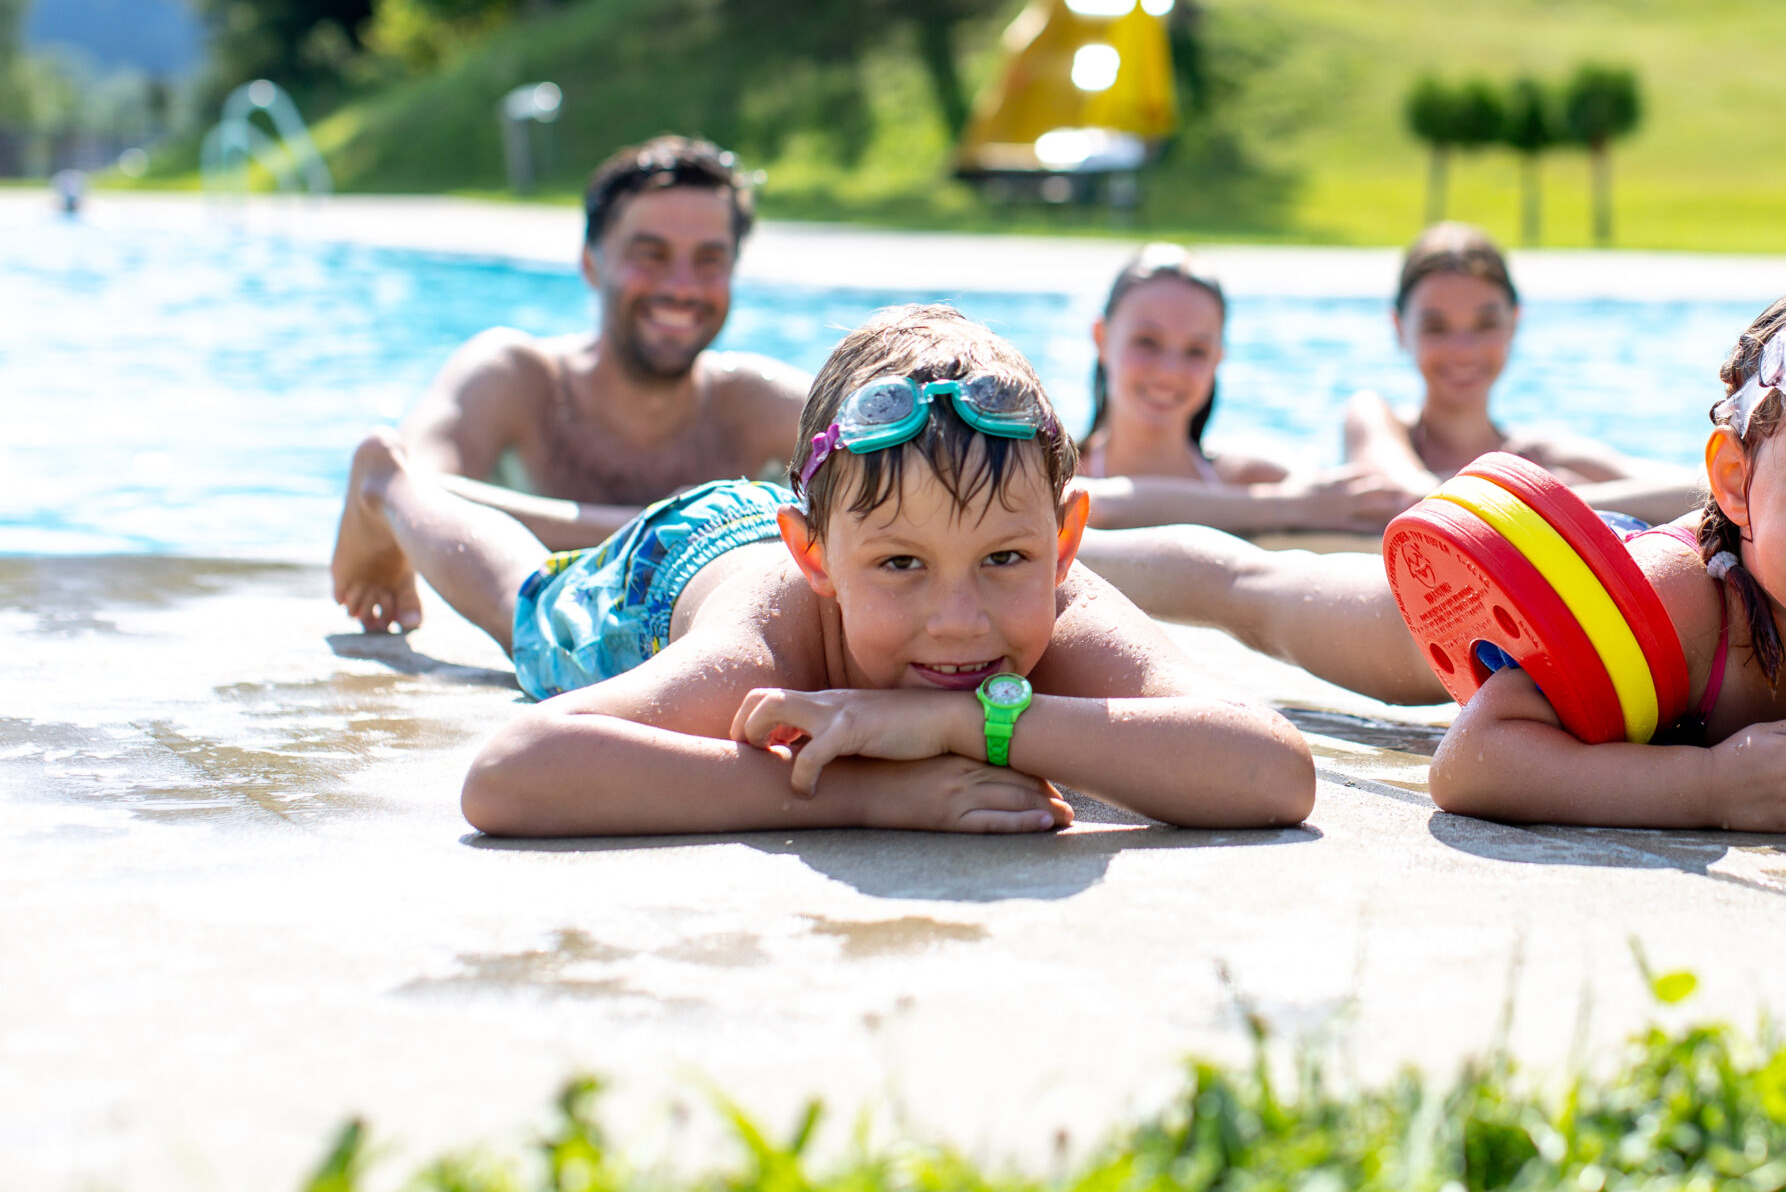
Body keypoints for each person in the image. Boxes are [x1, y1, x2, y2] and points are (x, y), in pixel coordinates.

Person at [1087, 279, 1786, 836]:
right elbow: (1471, 762)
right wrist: (1703, 787)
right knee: (1263, 592)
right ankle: (1074, 554)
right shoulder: (1678, 603)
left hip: (1614, 671)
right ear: (1736, 481)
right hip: (1560, 627)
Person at [328, 304, 1314, 837]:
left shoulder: (1050, 596)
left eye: (1006, 557)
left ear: (1064, 541)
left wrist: (969, 722)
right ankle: (390, 486)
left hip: (816, 512)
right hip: (680, 572)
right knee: (527, 604)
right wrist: (865, 796)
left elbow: (1272, 769)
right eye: (903, 565)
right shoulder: (760, 645)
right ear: (820, 557)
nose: (960, 618)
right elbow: (512, 772)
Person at [333, 137, 809, 636]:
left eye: (710, 260)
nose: (683, 286)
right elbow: (418, 487)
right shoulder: (512, 377)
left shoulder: (761, 403)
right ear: (590, 262)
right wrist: (704, 530)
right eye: (650, 255)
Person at [1342, 223, 1696, 523]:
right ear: (1399, 328)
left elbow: (1699, 494)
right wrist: (1553, 498)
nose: (1464, 348)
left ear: (1514, 322)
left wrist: (1554, 491)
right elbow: (1408, 497)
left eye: (1485, 323)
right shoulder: (1373, 416)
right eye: (1436, 327)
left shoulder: (1542, 453)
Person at [1076, 242, 1417, 533]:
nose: (1169, 371)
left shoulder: (1254, 477)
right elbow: (1097, 504)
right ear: (1101, 338)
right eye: (1147, 342)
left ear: (1217, 359)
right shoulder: (1057, 473)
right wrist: (1285, 507)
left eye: (1196, 350)